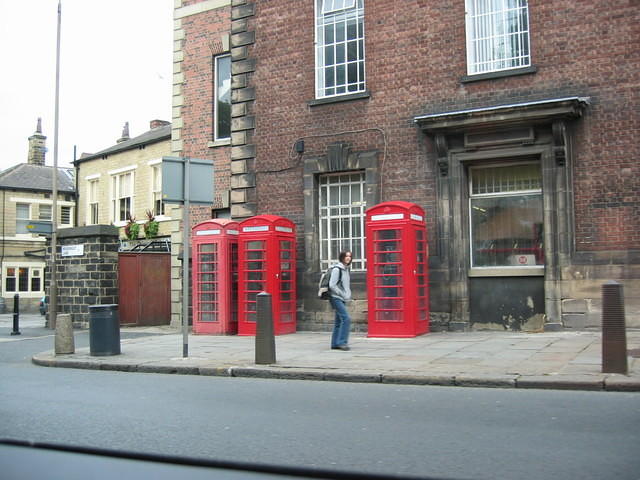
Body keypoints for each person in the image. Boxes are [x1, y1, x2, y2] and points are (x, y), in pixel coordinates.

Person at [328, 250, 352, 351]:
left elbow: (345, 286)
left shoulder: (346, 269)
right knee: (346, 319)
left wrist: (348, 295)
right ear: (341, 257)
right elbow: (332, 285)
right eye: (346, 256)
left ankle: (335, 344)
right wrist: (343, 294)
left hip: (342, 298)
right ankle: (342, 342)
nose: (348, 258)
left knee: (338, 321)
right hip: (336, 298)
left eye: (350, 256)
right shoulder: (337, 269)